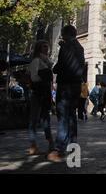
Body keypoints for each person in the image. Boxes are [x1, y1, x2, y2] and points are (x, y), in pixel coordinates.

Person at [48, 25, 85, 162]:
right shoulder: (80, 48)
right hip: (76, 86)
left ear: (66, 34)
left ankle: (59, 149)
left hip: (65, 86)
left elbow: (60, 66)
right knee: (71, 117)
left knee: (63, 117)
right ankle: (73, 147)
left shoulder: (66, 46)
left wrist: (55, 68)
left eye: (62, 34)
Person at [28, 40, 54, 155]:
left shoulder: (47, 62)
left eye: (47, 47)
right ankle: (33, 145)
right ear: (39, 48)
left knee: (46, 119)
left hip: (46, 93)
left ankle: (50, 143)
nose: (46, 48)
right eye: (44, 47)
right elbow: (34, 77)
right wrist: (44, 80)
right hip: (38, 93)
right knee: (34, 120)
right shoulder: (36, 61)